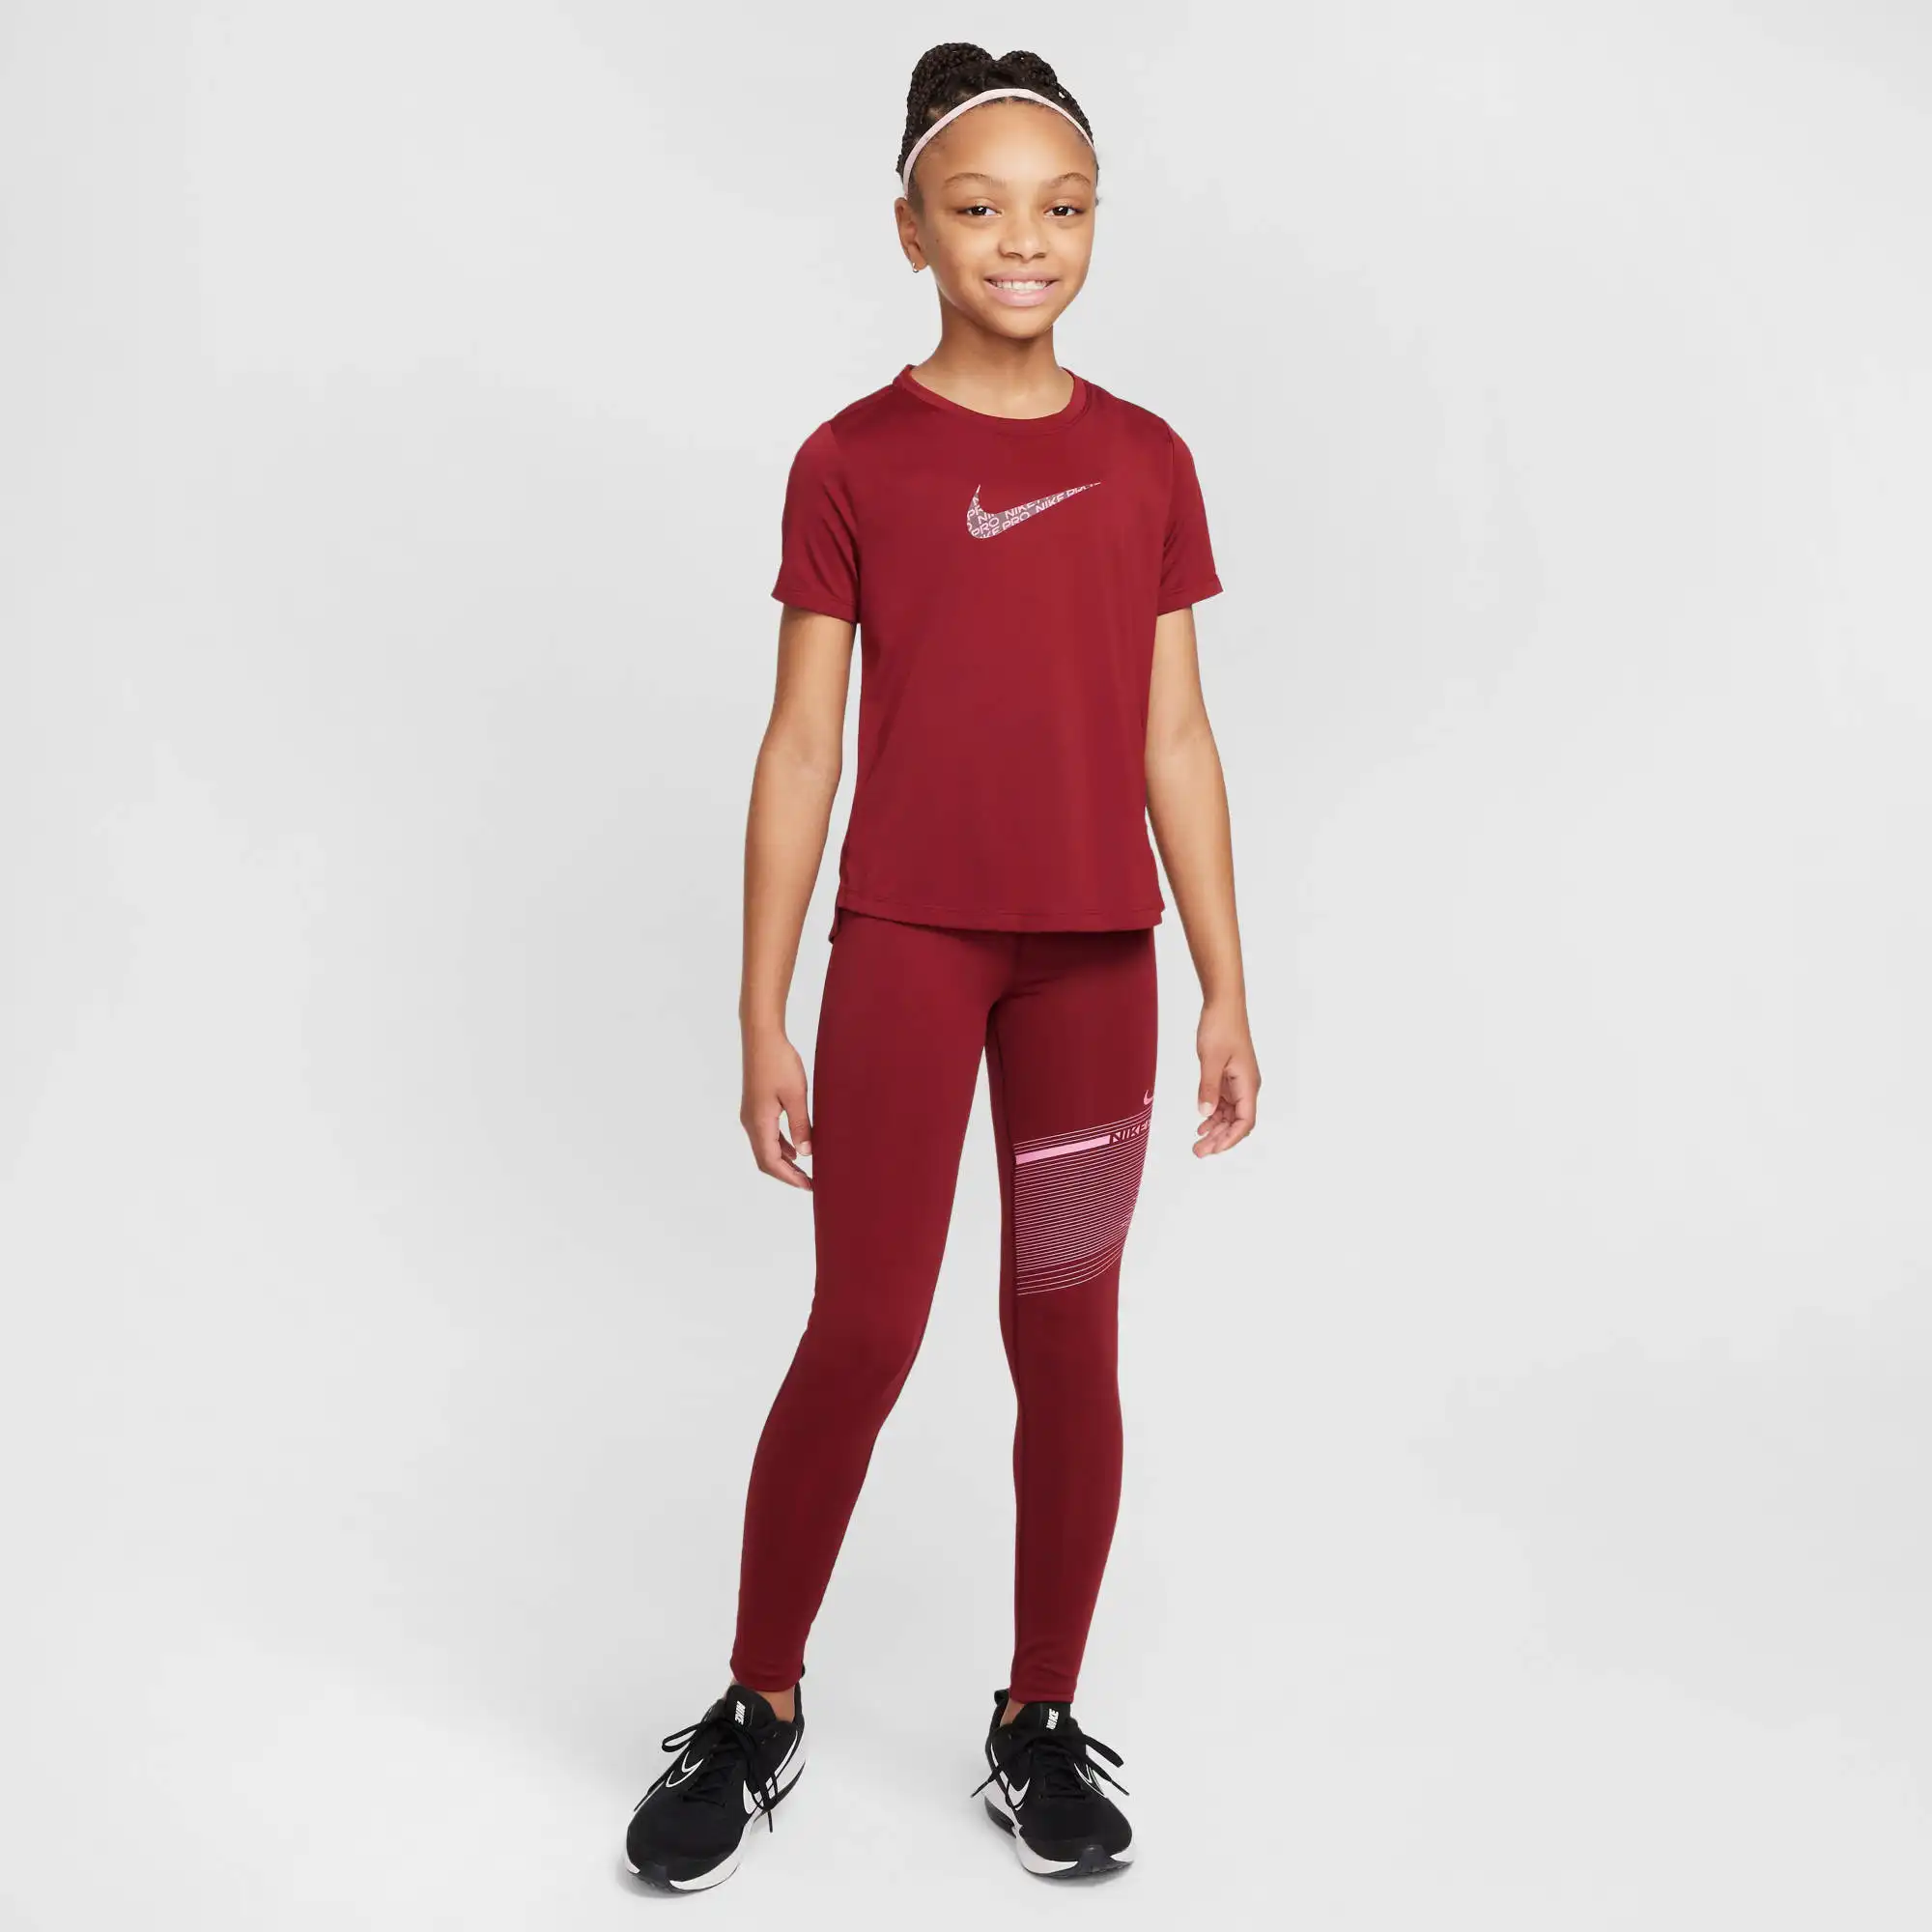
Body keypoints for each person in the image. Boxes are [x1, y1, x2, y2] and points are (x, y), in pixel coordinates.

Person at [624, 43, 1260, 1891]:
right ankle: (757, 1704)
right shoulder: (854, 460)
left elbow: (1176, 737)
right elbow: (800, 749)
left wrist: (1225, 981)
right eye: (979, 208)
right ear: (910, 229)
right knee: (868, 1328)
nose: (1022, 240)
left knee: (1066, 1333)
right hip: (908, 949)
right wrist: (762, 1009)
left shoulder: (1146, 460)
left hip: (1097, 972)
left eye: (1061, 208)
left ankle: (1036, 1719)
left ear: (1097, 225)